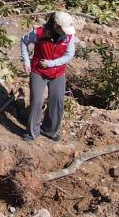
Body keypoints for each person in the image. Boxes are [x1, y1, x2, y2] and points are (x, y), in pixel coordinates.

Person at [21, 12, 77, 141]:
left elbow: (69, 55)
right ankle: (32, 132)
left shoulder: (69, 37)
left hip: (57, 72)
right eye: (62, 29)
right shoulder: (39, 33)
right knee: (37, 101)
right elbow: (24, 40)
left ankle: (49, 130)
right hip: (39, 71)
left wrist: (51, 63)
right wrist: (26, 61)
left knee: (57, 101)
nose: (65, 33)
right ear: (55, 26)